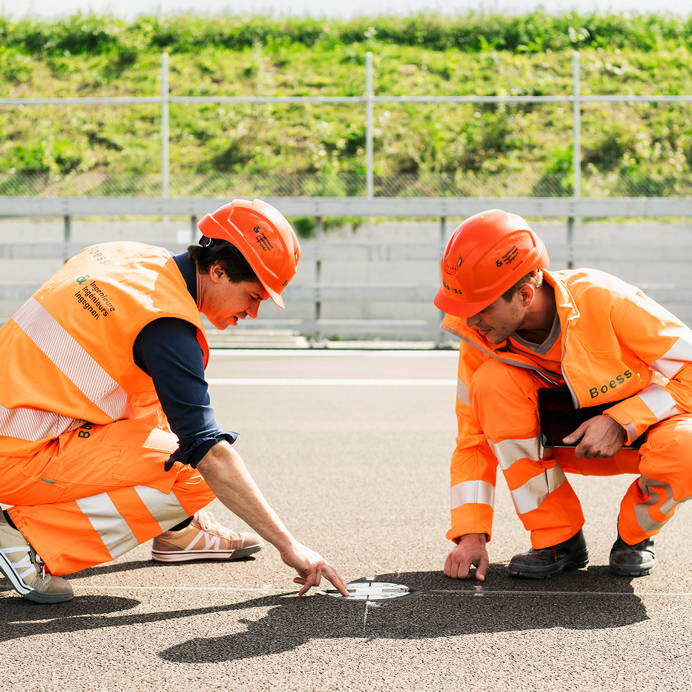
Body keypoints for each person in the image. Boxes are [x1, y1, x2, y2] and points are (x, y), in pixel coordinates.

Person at [0, 198, 349, 603]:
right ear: (217, 271)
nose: (254, 312)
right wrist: (290, 546)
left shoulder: (126, 257)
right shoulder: (164, 326)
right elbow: (209, 453)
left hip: (18, 428)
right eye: (253, 296)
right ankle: (21, 536)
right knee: (198, 470)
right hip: (16, 456)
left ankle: (180, 531)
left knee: (158, 409)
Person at [435, 209, 691, 581]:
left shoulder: (606, 299)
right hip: (560, 444)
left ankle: (636, 537)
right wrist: (470, 534)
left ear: (524, 294)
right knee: (492, 383)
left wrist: (622, 421)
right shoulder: (480, 338)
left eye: (481, 309)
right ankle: (559, 540)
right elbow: (472, 439)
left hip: (643, 436)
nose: (470, 322)